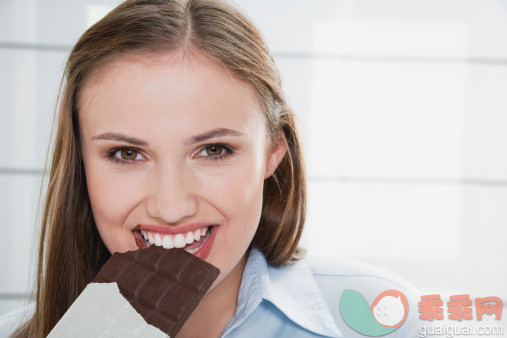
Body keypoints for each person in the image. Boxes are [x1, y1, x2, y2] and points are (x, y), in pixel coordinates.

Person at [0, 0, 423, 337]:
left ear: (275, 151)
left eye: (214, 150)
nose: (170, 207)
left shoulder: (389, 319)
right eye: (127, 154)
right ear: (80, 163)